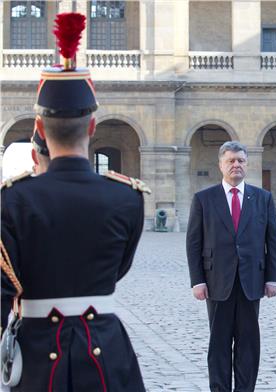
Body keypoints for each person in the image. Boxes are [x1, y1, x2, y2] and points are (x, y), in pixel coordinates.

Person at [1, 12, 148, 391]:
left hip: (36, 360)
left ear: (39, 130)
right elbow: (118, 269)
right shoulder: (127, 197)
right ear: (93, 127)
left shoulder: (12, 201)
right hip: (108, 354)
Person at [186, 141, 276, 392]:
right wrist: (197, 280)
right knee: (219, 343)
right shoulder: (204, 199)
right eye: (231, 160)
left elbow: (273, 241)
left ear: (247, 165)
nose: (236, 165)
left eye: (240, 160)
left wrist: (273, 278)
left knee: (248, 343)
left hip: (252, 281)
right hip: (217, 281)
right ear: (221, 165)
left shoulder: (263, 198)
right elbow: (194, 243)